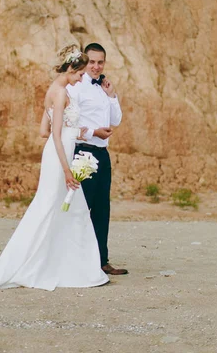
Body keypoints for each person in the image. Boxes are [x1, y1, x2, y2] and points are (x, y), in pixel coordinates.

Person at [0, 45, 109, 292]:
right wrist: (68, 170)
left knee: (60, 208)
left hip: (57, 153)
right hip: (61, 156)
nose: (82, 78)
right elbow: (56, 137)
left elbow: (43, 131)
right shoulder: (61, 94)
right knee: (54, 208)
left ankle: (61, 264)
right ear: (73, 69)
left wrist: (75, 132)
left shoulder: (53, 90)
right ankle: (49, 266)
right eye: (80, 74)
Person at [67, 42, 128, 276]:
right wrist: (93, 132)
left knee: (102, 208)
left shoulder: (104, 86)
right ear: (84, 61)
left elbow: (117, 120)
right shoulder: (76, 87)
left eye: (100, 62)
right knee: (82, 209)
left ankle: (101, 260)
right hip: (83, 151)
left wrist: (111, 96)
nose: (96, 66)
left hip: (103, 153)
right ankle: (78, 262)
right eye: (91, 62)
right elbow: (69, 123)